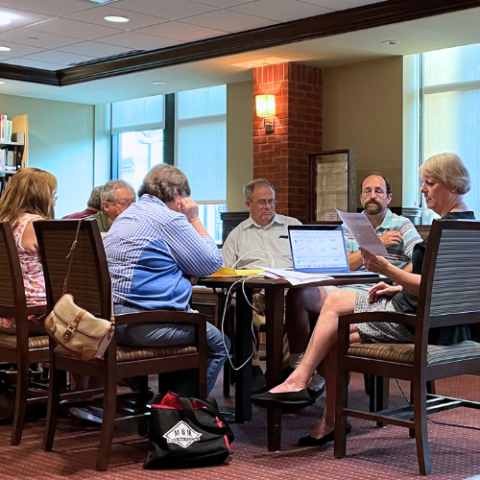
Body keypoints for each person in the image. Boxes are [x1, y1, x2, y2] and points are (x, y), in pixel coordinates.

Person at [251, 153, 474, 446]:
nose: (423, 189)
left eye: (430, 183)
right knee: (333, 333)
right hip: (442, 323)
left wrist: (387, 270)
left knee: (334, 307)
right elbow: (445, 285)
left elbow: (429, 287)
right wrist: (395, 287)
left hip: (415, 324)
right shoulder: (467, 227)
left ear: (453, 186)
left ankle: (300, 380)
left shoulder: (443, 230)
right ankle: (327, 415)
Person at [284, 173, 422, 399]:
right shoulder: (352, 224)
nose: (373, 196)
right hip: (344, 286)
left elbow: (419, 260)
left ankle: (315, 383)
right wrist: (377, 244)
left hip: (376, 291)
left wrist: (397, 281)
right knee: (298, 294)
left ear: (388, 197)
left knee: (333, 320)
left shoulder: (401, 224)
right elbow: (343, 263)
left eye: (378, 191)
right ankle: (296, 366)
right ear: (361, 197)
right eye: (367, 191)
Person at [104, 165, 228, 396]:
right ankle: (179, 415)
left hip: (109, 322)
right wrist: (194, 219)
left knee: (193, 328)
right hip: (143, 324)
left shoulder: (126, 216)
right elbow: (211, 263)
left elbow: (153, 262)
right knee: (217, 344)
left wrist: (180, 271)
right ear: (177, 194)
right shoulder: (170, 219)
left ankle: (167, 406)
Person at [221, 179, 301, 393]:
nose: (268, 207)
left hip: (287, 294)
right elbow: (224, 272)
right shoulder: (238, 234)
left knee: (300, 313)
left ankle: (283, 370)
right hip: (252, 295)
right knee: (235, 308)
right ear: (249, 204)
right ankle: (252, 368)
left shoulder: (292, 225)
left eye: (271, 202)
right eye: (262, 202)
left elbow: (308, 265)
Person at [0, 168, 57, 335]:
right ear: (41, 197)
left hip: (7, 314)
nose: (55, 203)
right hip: (34, 315)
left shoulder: (5, 221)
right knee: (91, 318)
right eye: (53, 196)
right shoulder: (36, 224)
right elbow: (60, 266)